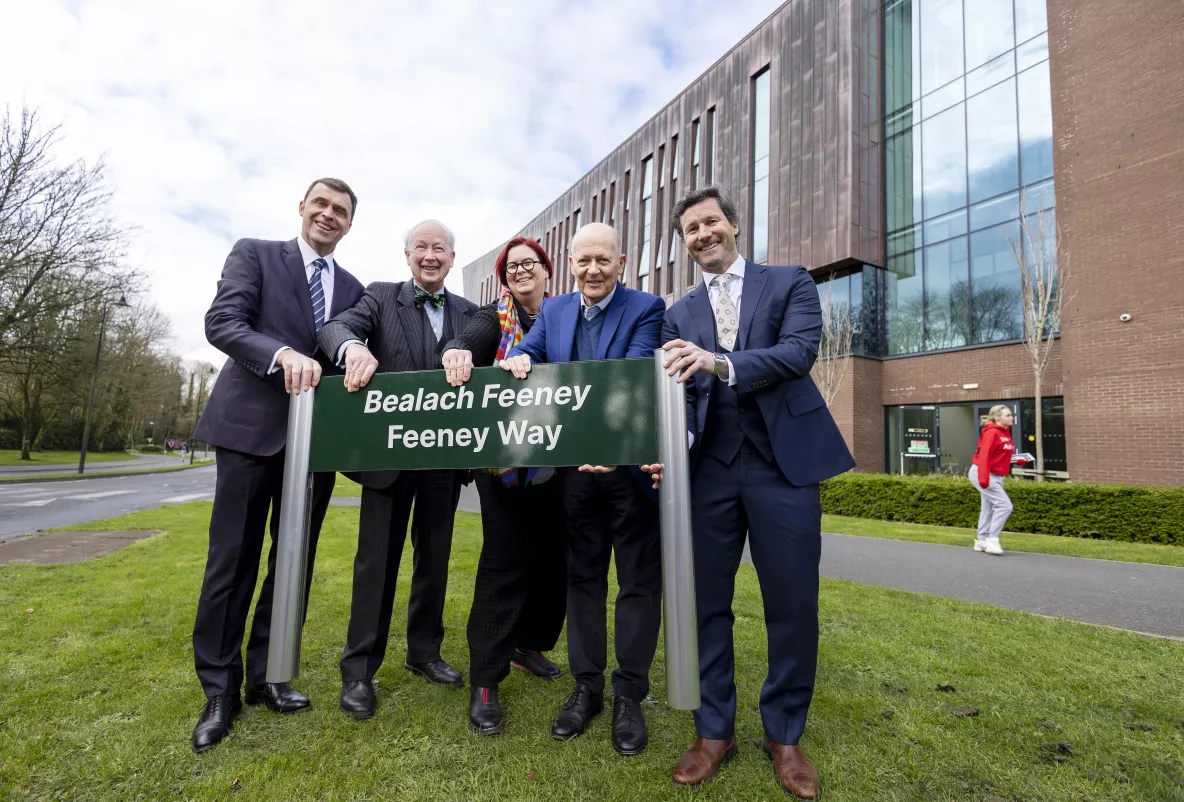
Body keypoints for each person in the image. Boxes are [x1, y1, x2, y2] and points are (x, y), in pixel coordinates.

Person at [645, 186, 854, 799]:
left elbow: (797, 354)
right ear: (684, 244)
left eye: (711, 222)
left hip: (783, 470)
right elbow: (675, 395)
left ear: (733, 225)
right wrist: (668, 448)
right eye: (691, 230)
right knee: (707, 602)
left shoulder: (789, 283)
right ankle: (715, 731)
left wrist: (718, 362)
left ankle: (784, 734)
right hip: (707, 473)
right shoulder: (675, 313)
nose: (703, 235)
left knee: (791, 604)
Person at [190, 178, 365, 752]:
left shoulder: (356, 289)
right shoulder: (256, 254)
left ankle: (271, 674)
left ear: (348, 224)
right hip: (249, 435)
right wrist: (281, 354)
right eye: (321, 204)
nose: (329, 215)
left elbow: (354, 354)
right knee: (232, 561)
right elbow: (224, 323)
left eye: (340, 211)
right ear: (302, 208)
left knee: (294, 563)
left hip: (315, 446)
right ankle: (220, 688)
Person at [499, 222, 665, 756]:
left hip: (628, 473)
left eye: (603, 260)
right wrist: (523, 357)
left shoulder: (646, 307)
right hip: (574, 476)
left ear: (621, 261)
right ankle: (587, 686)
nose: (593, 270)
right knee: (584, 582)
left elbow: (628, 376)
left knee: (637, 582)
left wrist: (604, 438)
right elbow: (532, 350)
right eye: (583, 260)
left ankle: (629, 696)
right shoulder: (555, 310)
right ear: (570, 264)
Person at [317, 219, 478, 721]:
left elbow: (491, 336)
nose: (431, 256)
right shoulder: (381, 296)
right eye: (421, 248)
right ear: (407, 254)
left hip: (443, 460)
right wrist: (353, 348)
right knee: (376, 564)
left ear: (452, 258)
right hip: (388, 456)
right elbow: (333, 327)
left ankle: (424, 653)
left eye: (440, 249)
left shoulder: (469, 312)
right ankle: (359, 670)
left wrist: (465, 349)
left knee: (434, 560)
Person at [439, 236, 568, 736]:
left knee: (554, 562)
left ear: (547, 270)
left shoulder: (565, 314)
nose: (520, 272)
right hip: (506, 469)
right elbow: (462, 341)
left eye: (529, 263)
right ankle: (485, 681)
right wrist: (456, 354)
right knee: (504, 563)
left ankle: (527, 645)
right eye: (511, 266)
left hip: (560, 463)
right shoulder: (494, 317)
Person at [970, 404, 1016, 556]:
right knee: (1005, 506)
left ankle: (981, 540)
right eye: (1008, 415)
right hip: (984, 473)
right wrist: (983, 478)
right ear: (997, 417)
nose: (1011, 417)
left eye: (1011, 415)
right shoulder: (992, 433)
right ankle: (992, 539)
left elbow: (999, 455)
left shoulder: (1005, 433)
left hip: (995, 475)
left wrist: (1016, 460)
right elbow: (984, 456)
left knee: (988, 507)